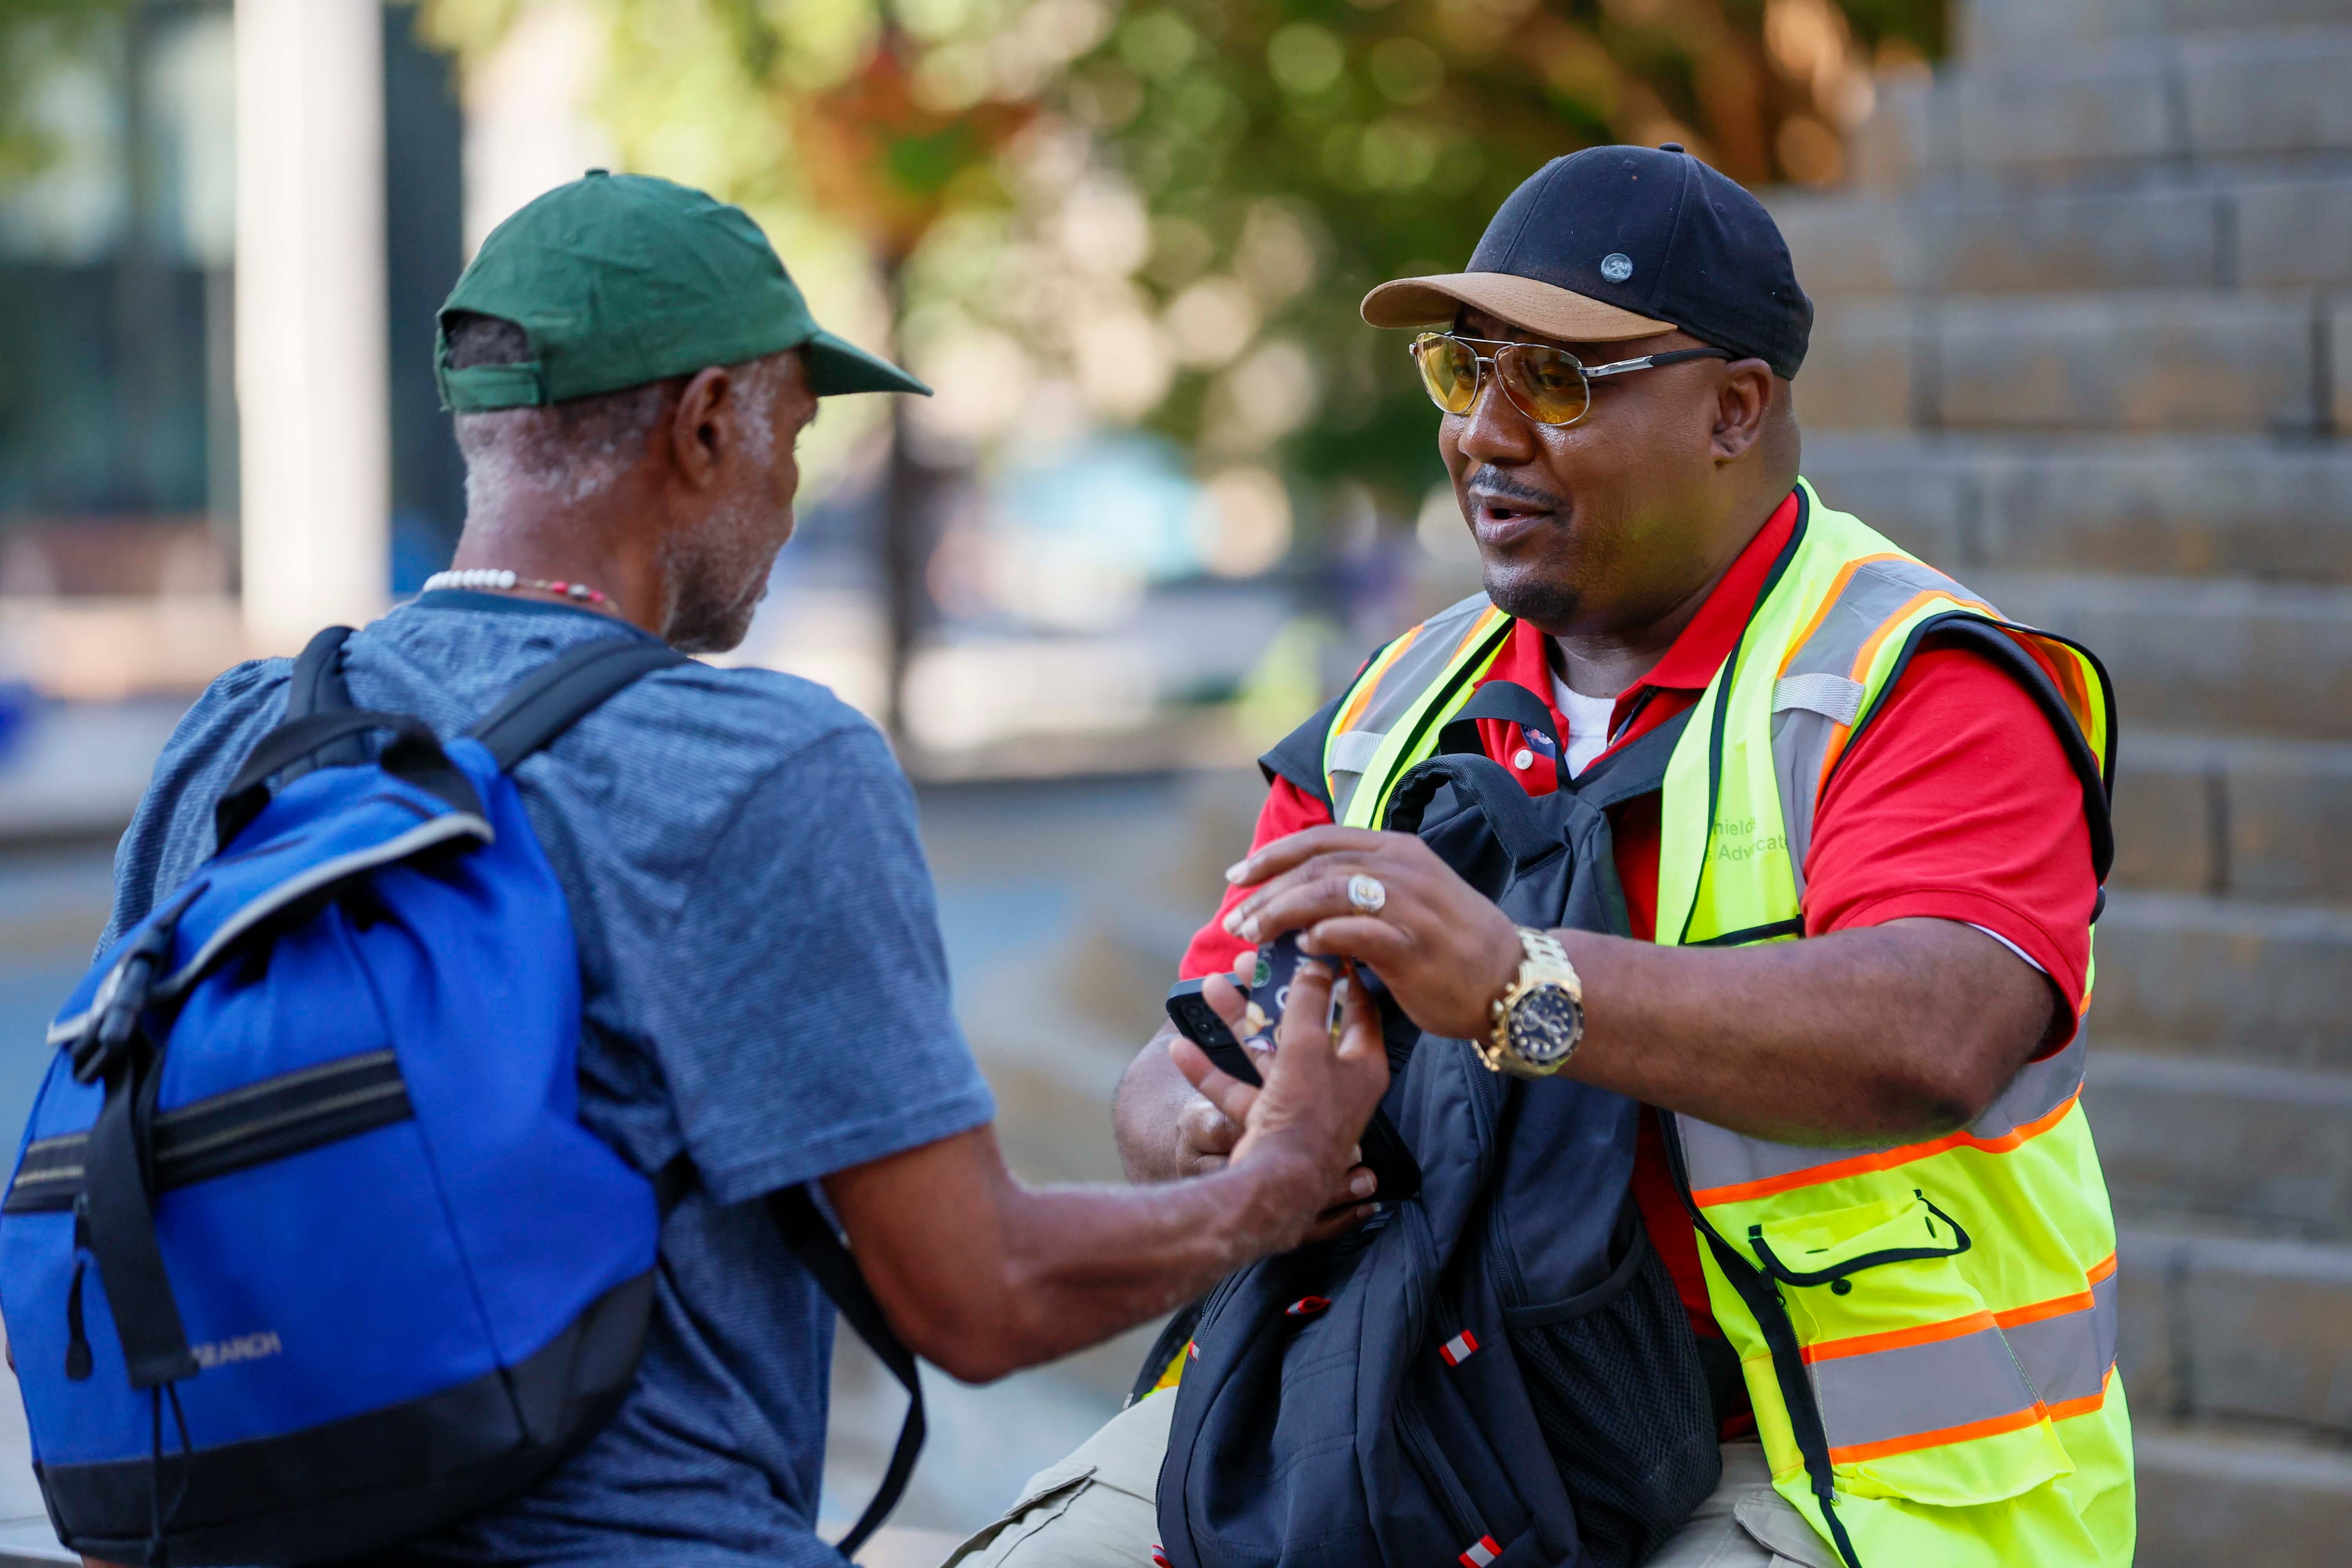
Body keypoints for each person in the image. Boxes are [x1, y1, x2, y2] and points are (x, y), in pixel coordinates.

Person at [87, 172, 1387, 1568]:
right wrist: (1272, 1186)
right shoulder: (760, 761)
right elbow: (979, 1291)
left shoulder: (242, 729)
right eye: (798, 434)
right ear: (709, 424)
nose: (789, 490)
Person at [952, 145, 2129, 1568]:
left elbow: (1942, 1025)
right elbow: (1180, 1054)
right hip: (1402, 1393)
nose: (1487, 434)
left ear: (1733, 408)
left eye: (1558, 382)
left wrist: (1522, 983)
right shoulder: (1403, 695)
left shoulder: (1915, 676)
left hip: (1819, 1467)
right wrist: (1222, 1134)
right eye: (1466, 372)